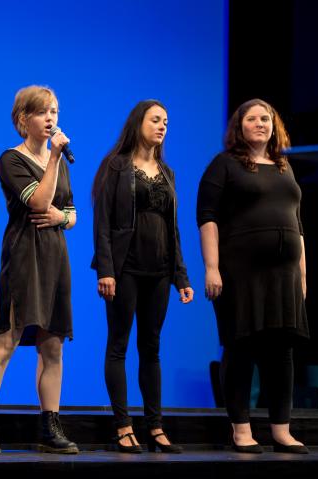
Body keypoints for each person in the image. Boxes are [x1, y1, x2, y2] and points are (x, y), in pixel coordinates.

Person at [0, 85, 78, 455]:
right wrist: (54, 161)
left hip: (55, 257)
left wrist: (62, 217)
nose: (51, 119)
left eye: (55, 112)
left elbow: (69, 212)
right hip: (24, 256)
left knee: (52, 345)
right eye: (43, 112)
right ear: (22, 120)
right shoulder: (10, 160)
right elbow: (39, 200)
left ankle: (50, 424)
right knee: (6, 340)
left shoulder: (57, 162)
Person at [196, 98, 309, 454]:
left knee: (282, 352)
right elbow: (207, 217)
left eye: (266, 118)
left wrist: (302, 276)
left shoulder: (283, 167)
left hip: (284, 275)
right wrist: (212, 268)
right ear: (238, 127)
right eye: (252, 119)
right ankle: (241, 430)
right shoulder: (224, 165)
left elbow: (298, 224)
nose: (261, 124)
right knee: (241, 346)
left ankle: (281, 429)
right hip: (241, 272)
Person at [91, 100, 194, 453]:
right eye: (155, 120)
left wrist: (181, 276)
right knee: (118, 344)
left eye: (166, 121)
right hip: (125, 269)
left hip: (160, 271)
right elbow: (102, 223)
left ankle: (155, 426)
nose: (162, 126)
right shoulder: (116, 167)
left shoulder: (167, 172)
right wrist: (106, 269)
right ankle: (123, 425)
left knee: (151, 348)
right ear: (138, 123)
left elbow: (174, 228)